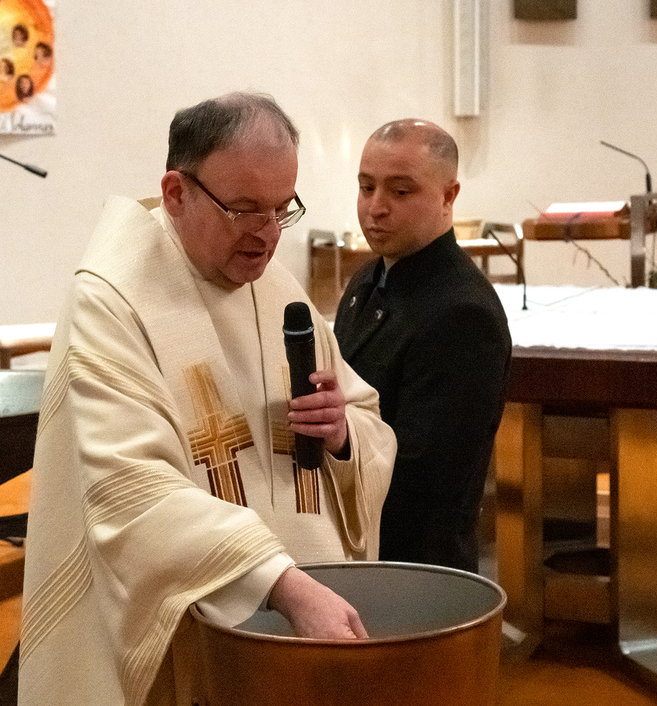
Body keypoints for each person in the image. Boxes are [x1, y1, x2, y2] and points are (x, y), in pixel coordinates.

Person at [19, 93, 396, 706]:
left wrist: (341, 433)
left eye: (282, 209)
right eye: (244, 209)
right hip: (197, 632)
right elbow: (132, 489)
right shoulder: (113, 301)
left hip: (304, 624)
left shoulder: (275, 285)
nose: (267, 235)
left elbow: (365, 416)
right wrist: (283, 584)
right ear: (176, 193)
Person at [334, 119, 511, 574]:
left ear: (449, 196)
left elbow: (426, 479)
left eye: (400, 191)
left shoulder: (463, 313)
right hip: (355, 541)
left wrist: (337, 444)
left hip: (415, 566)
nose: (376, 208)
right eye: (366, 187)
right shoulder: (367, 280)